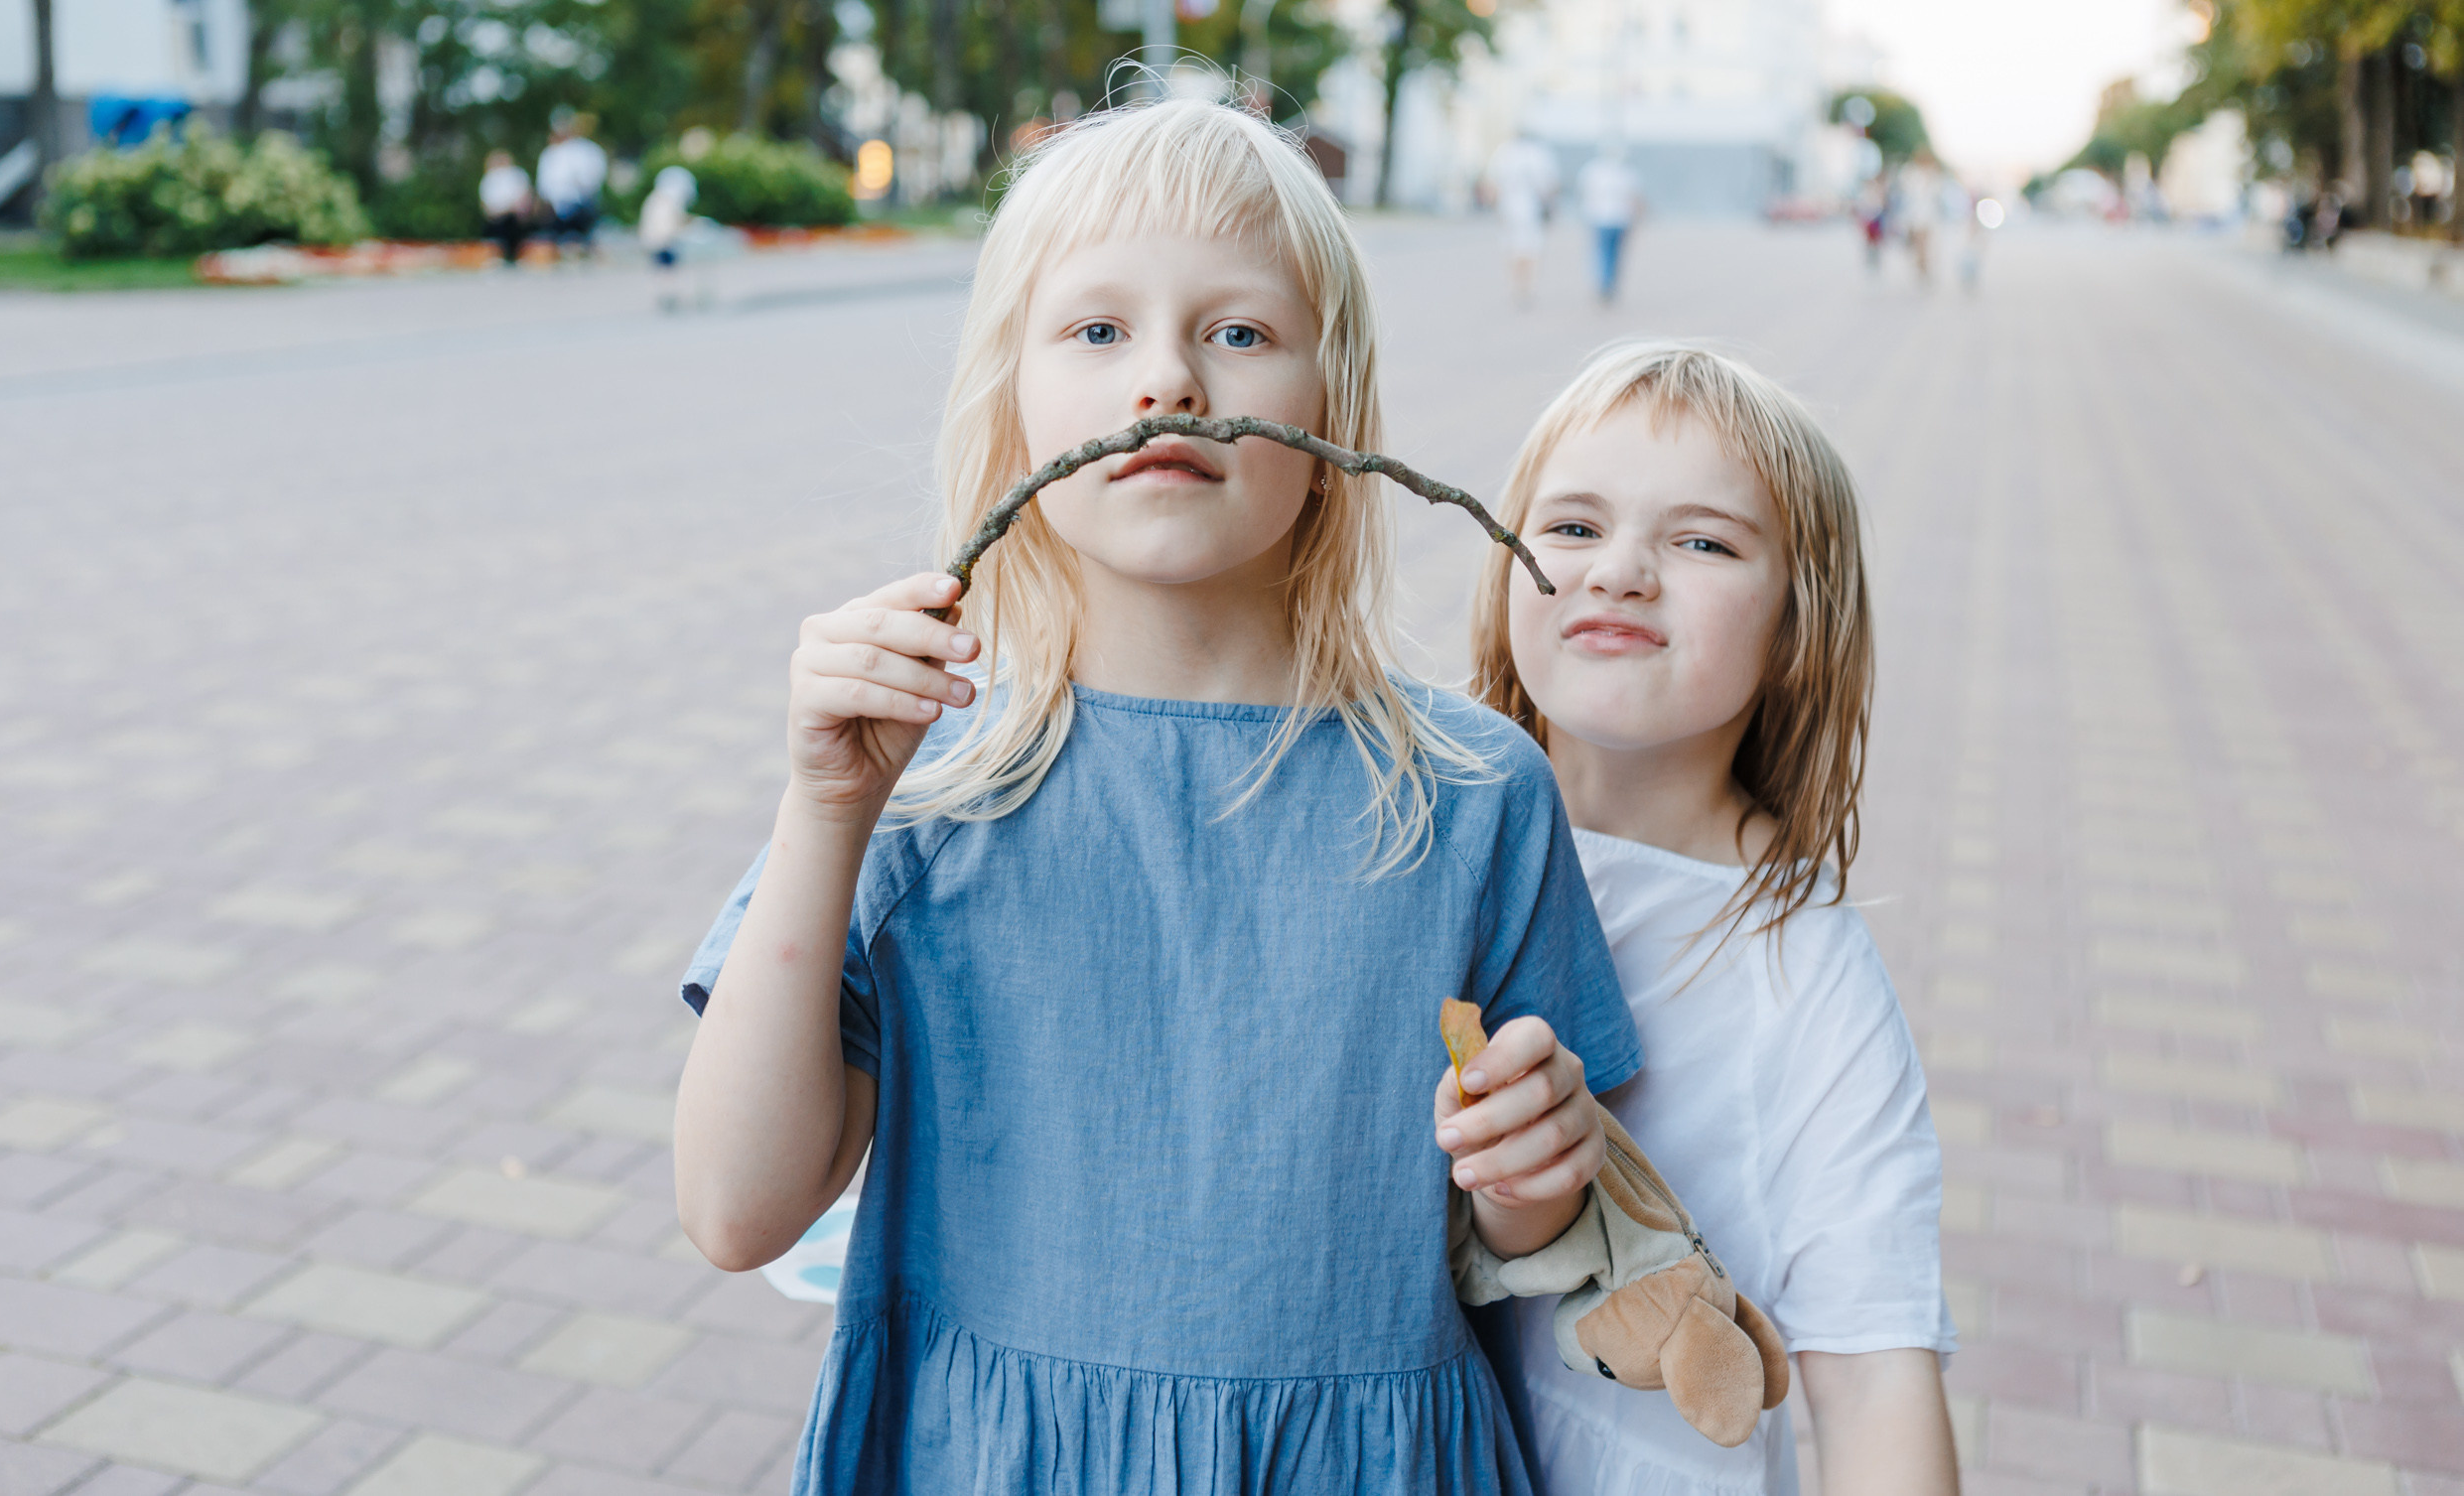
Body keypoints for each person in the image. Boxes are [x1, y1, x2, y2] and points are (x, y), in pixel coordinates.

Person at [672, 97, 1644, 1495]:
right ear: (1011, 404)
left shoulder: (1473, 792)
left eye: (1239, 333)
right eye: (1097, 330)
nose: (1167, 379)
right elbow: (735, 1206)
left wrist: (1534, 1164)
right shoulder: (920, 786)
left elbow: (1531, 1229)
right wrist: (825, 809)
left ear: (1334, 409)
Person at [1466, 342, 1959, 1496]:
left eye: (1701, 542)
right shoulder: (1420, 828)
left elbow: (1875, 1367)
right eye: (1574, 528)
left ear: (1796, 626)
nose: (1621, 571)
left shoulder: (1804, 971)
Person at [1489, 130, 1561, 308]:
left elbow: (1492, 184)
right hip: (1532, 209)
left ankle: (1515, 286)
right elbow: (1550, 185)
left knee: (1512, 249)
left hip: (1508, 207)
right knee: (1533, 250)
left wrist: (1495, 207)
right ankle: (1528, 287)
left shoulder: (1504, 152)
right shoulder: (1540, 153)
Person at [1575, 147, 1645, 307]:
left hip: (1599, 217)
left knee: (1601, 252)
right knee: (1615, 254)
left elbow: (1582, 193)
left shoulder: (1592, 170)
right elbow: (1636, 198)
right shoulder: (1627, 172)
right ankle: (1609, 283)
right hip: (1620, 219)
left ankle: (1603, 282)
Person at [535, 111, 607, 259]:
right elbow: (545, 184)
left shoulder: (585, 150)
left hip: (580, 202)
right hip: (556, 205)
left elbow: (591, 180)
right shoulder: (550, 153)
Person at [638, 164, 698, 310]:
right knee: (667, 270)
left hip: (655, 240)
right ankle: (668, 297)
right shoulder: (666, 201)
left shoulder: (656, 198)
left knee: (662, 269)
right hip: (663, 241)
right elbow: (668, 224)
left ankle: (666, 297)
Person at [1895, 152, 1945, 286]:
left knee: (1924, 245)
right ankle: (1922, 267)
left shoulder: (1934, 176)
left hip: (1927, 217)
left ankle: (1923, 268)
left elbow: (1936, 195)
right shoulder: (1912, 173)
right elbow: (1907, 192)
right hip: (1915, 216)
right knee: (1919, 245)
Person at [478, 149, 533, 265]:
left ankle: (517, 254)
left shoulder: (517, 174)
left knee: (511, 224)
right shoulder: (489, 178)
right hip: (497, 216)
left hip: (514, 214)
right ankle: (499, 255)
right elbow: (485, 204)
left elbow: (524, 197)